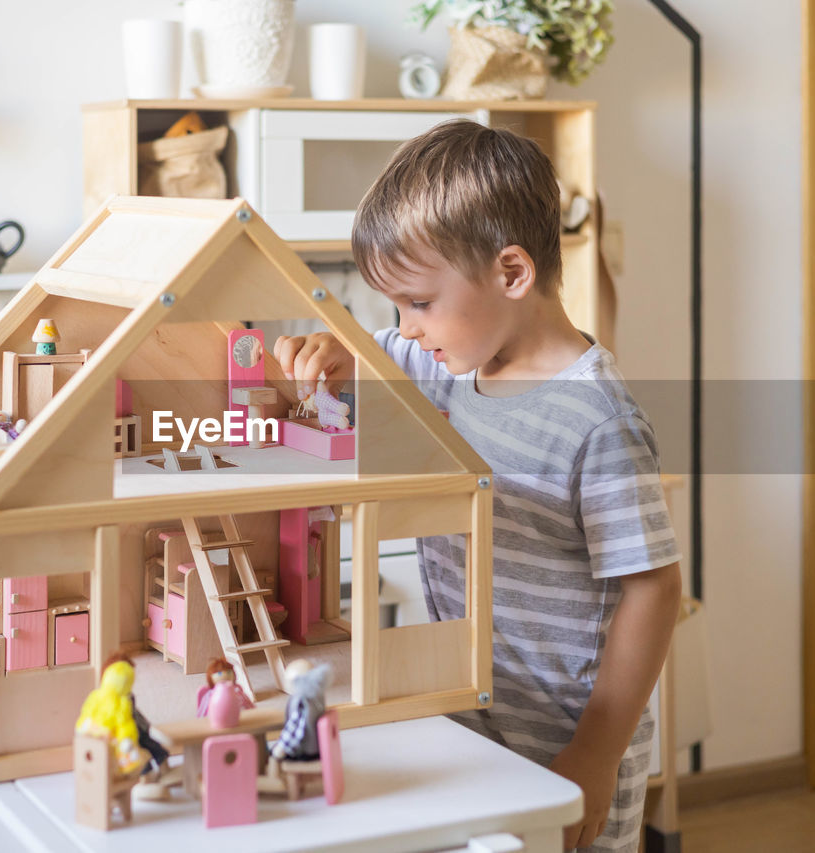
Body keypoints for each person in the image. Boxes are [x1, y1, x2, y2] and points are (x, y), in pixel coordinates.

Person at [274, 120, 681, 853]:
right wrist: (336, 353)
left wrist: (594, 752)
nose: (405, 328)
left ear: (513, 273)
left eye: (420, 303)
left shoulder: (598, 420)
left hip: (568, 740)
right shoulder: (452, 361)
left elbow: (653, 589)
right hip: (470, 719)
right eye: (394, 307)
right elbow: (379, 361)